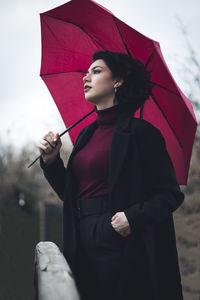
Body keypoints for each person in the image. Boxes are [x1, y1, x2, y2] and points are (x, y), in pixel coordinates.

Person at [38, 50, 185, 300]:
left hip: (120, 243)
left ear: (117, 81)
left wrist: (132, 218)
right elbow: (71, 195)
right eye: (86, 73)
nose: (86, 78)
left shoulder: (142, 133)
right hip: (80, 241)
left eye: (96, 71)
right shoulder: (85, 135)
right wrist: (51, 162)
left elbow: (170, 195)